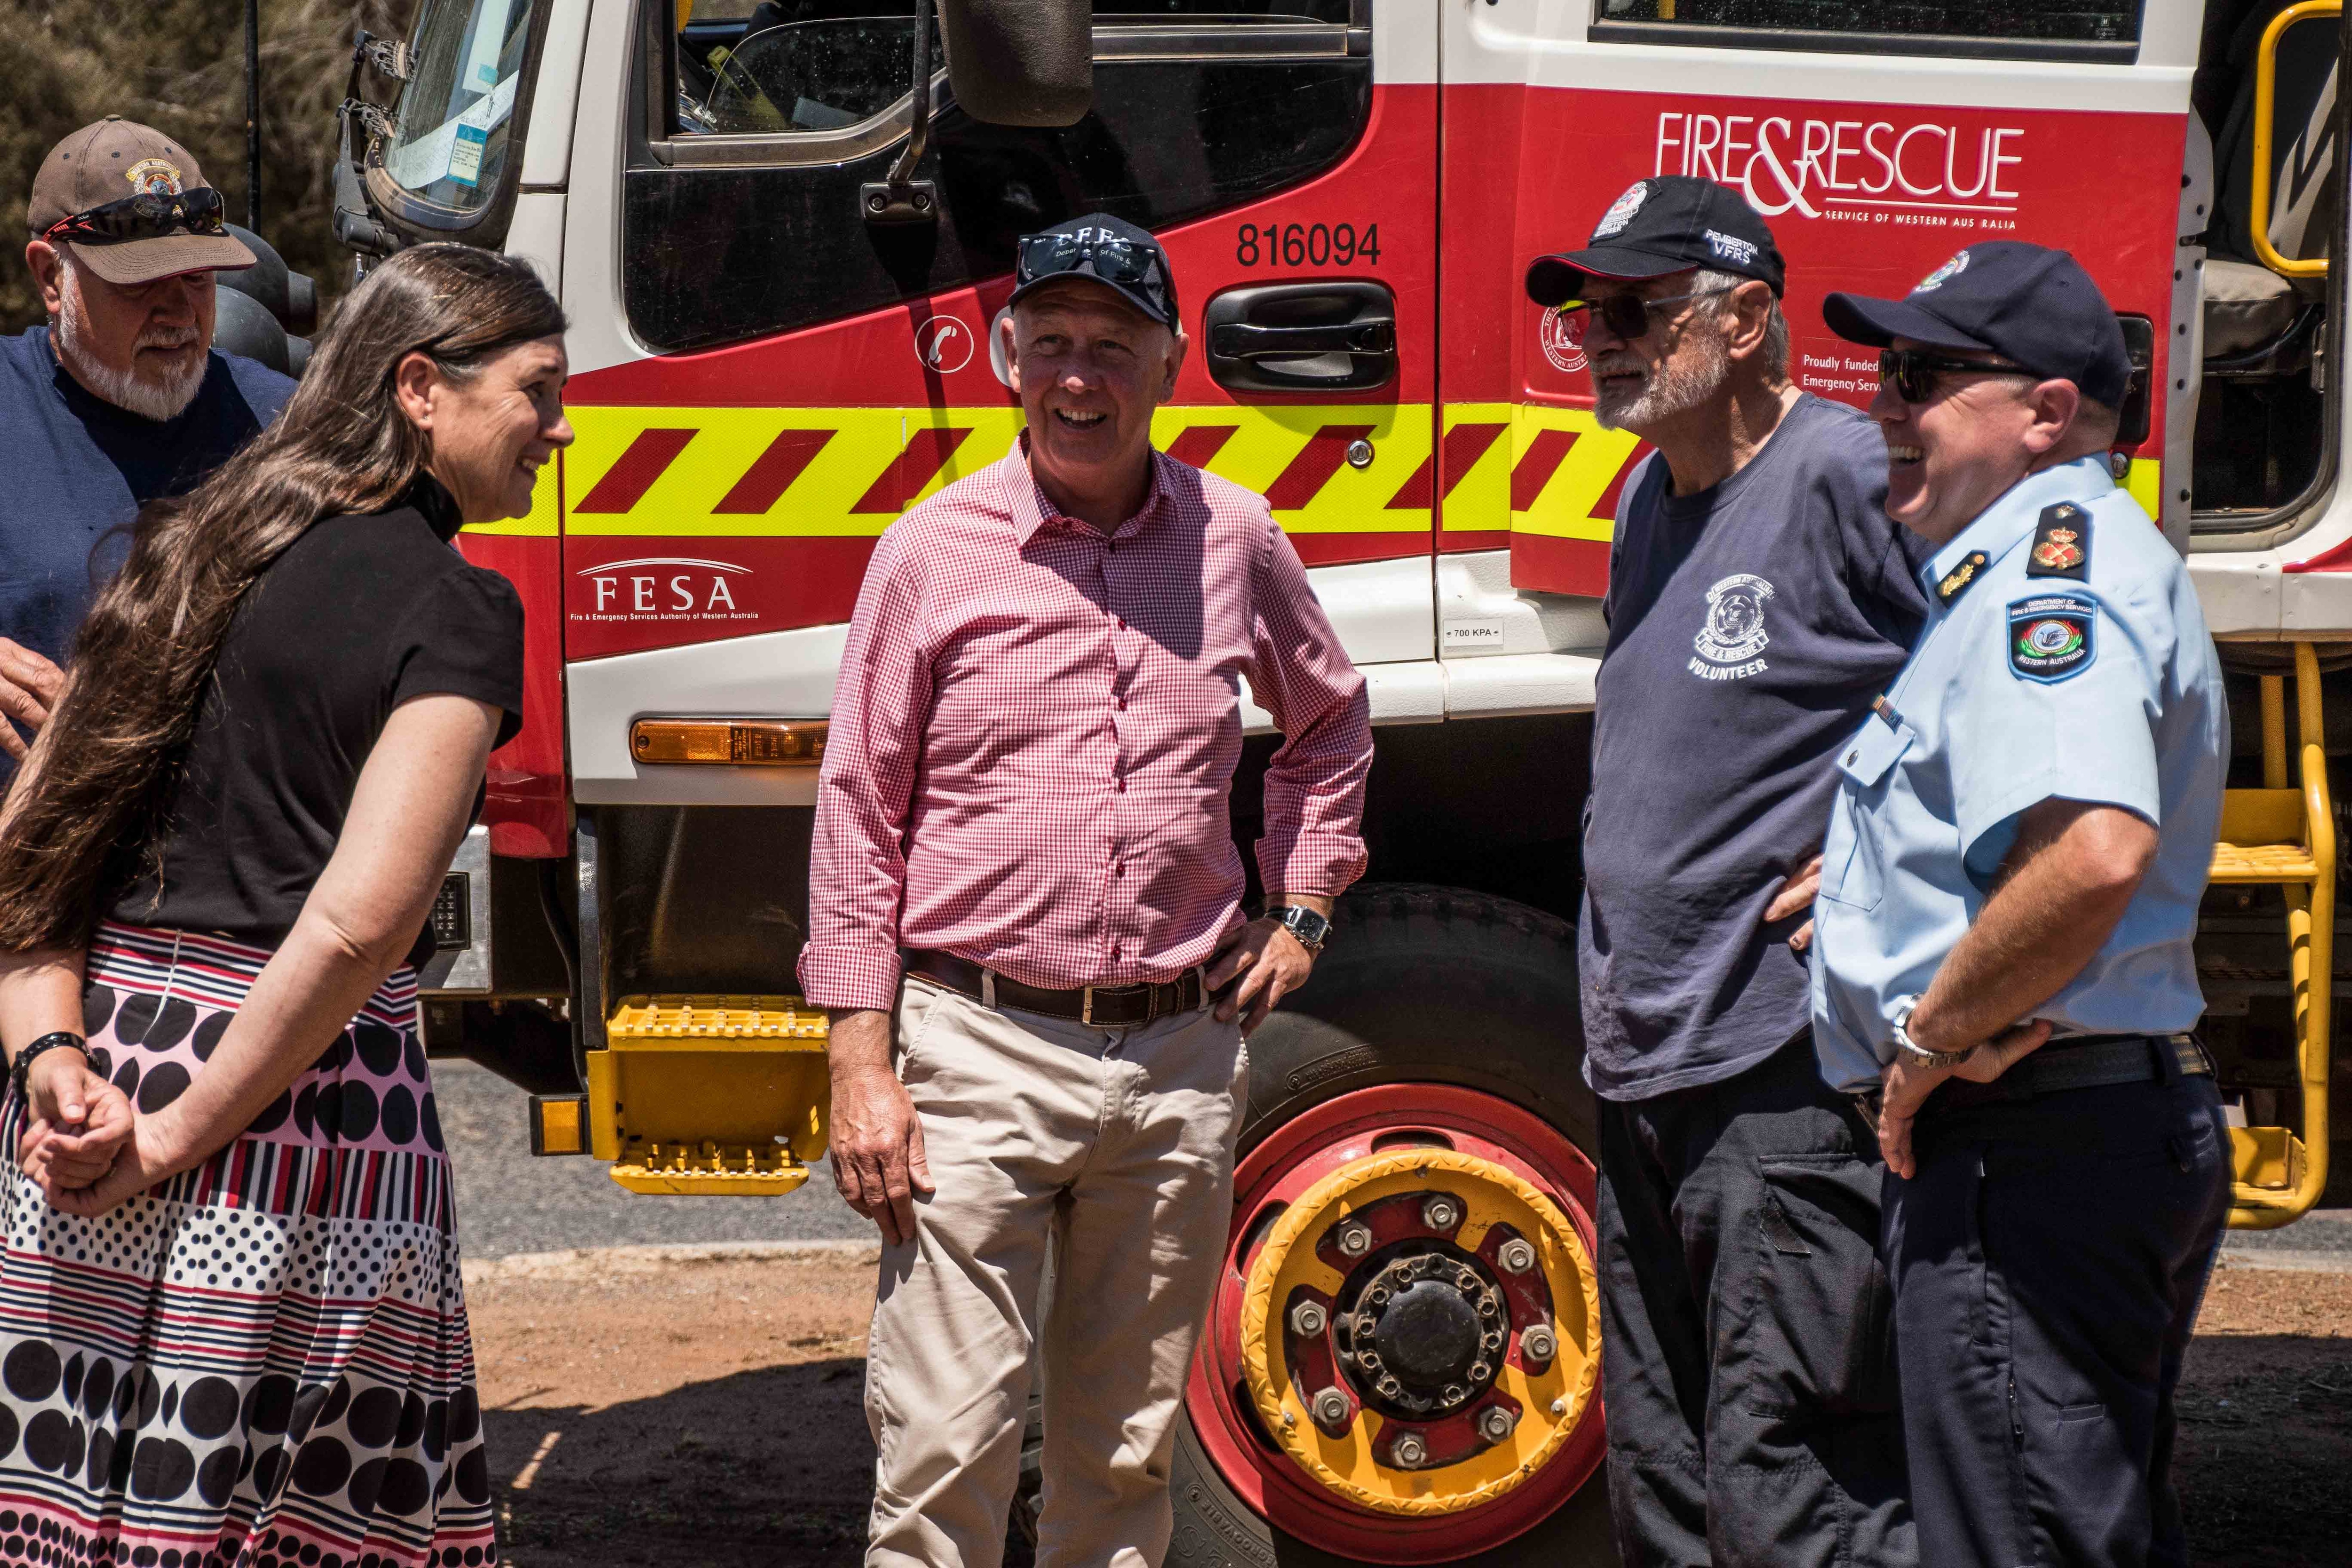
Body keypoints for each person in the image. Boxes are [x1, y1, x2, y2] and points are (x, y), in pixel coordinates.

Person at [801, 211, 1374, 1567]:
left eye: (1111, 344)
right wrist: (859, 1058)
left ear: (1169, 361)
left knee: (1123, 1455)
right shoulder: (932, 550)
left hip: (1177, 1056)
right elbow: (857, 808)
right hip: (977, 1048)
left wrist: (1303, 905)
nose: (1078, 374)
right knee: (947, 1440)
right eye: (1049, 341)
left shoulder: (1237, 537)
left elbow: (1331, 724)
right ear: (1007, 359)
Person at [0, 243, 570, 1568]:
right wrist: (181, 1134)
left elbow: (28, 851)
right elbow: (356, 925)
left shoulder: (182, 549)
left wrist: (50, 1059)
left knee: (67, 1513)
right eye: (538, 389)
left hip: (89, 1088)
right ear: (422, 388)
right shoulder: (459, 607)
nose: (560, 422)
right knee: (288, 1530)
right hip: (294, 1112)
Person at [1809, 241, 2229, 1568]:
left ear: (2045, 413)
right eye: (1881, 369)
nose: (1882, 402)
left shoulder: (2047, 574)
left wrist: (1924, 1048)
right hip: (2081, 1127)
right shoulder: (2045, 564)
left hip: (2031, 1146)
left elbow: (2094, 848)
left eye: (1921, 375)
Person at [1522, 175, 1923, 1566]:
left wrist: (1903, 856)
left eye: (1635, 309)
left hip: (1783, 1071)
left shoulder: (1846, 471)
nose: (1602, 338)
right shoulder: (1651, 496)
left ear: (1749, 319)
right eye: (1589, 315)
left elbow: (2011, 682)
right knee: (1668, 1481)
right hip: (1647, 1069)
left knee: (1793, 1482)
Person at [0, 116, 294, 768]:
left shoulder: (285, 425)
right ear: (52, 278)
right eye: (139, 281)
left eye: (196, 277)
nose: (178, 312)